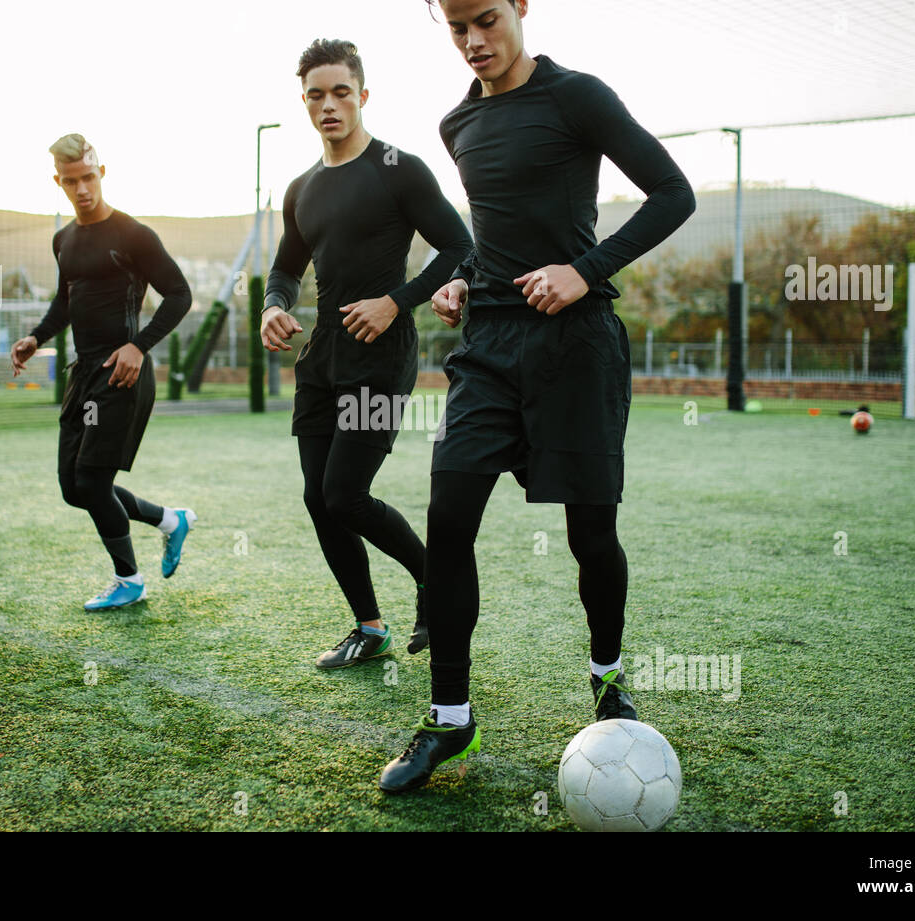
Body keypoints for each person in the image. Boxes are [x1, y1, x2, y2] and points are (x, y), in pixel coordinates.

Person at [379, 0, 696, 792]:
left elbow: (673, 193)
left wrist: (584, 270)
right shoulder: (457, 124)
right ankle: (449, 717)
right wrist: (460, 280)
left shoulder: (577, 96)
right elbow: (495, 235)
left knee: (591, 532)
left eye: (485, 19)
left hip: (577, 347)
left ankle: (609, 676)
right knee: (449, 518)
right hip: (488, 346)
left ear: (522, 6)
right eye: (456, 28)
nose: (473, 41)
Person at [261, 39, 473, 668]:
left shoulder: (398, 169)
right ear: (304, 102)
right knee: (316, 496)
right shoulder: (301, 188)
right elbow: (285, 266)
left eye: (340, 92)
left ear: (362, 95)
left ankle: (435, 578)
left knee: (346, 493)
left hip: (382, 359)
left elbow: (460, 247)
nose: (328, 105)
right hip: (322, 358)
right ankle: (369, 627)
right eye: (316, 95)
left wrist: (397, 301)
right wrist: (275, 304)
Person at [10, 134, 195, 611]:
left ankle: (129, 580)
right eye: (71, 181)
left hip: (123, 373)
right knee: (74, 488)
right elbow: (66, 300)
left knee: (92, 483)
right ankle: (170, 521)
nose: (82, 189)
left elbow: (179, 294)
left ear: (101, 172)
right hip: (83, 373)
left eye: (88, 177)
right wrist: (36, 337)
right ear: (59, 181)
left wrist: (138, 346)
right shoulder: (63, 239)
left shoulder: (133, 234)